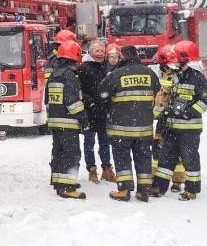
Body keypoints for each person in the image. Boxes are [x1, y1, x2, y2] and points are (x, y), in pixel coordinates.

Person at [98, 45, 159, 202]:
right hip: (144, 128)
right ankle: (143, 191)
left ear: (122, 56)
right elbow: (157, 89)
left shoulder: (116, 74)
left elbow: (101, 92)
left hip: (121, 128)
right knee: (144, 157)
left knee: (122, 157)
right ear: (137, 55)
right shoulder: (149, 73)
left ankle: (124, 190)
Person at [151, 40, 207, 201]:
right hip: (171, 127)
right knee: (166, 158)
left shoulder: (197, 78)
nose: (172, 60)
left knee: (189, 159)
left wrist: (189, 113)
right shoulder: (175, 76)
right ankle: (159, 187)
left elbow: (205, 101)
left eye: (175, 57)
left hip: (189, 129)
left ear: (183, 58)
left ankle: (191, 190)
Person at [46, 40, 90, 199]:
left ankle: (59, 182)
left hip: (55, 121)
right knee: (71, 154)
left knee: (59, 152)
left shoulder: (54, 74)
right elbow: (73, 101)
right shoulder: (70, 75)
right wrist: (83, 119)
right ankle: (67, 187)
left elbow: (48, 98)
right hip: (68, 121)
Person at [77, 40, 115, 184]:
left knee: (105, 142)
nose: (100, 54)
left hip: (105, 111)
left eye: (101, 51)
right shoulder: (84, 68)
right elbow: (79, 90)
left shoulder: (106, 67)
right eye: (97, 51)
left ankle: (107, 169)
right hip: (90, 112)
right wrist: (90, 102)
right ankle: (91, 170)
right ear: (90, 52)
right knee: (89, 142)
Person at [151, 44, 186, 191]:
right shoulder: (163, 75)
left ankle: (177, 181)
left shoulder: (176, 77)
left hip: (172, 120)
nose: (159, 66)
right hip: (162, 120)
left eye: (160, 63)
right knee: (158, 149)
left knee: (175, 151)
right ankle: (156, 178)